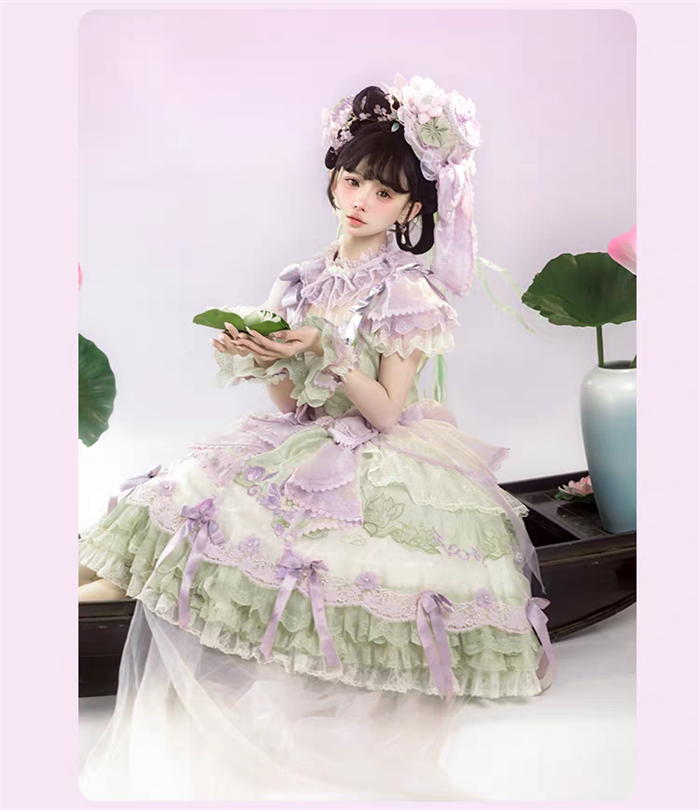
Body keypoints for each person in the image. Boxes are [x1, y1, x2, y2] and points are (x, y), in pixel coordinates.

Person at [78, 74, 555, 802]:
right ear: (335, 177)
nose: (361, 198)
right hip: (302, 435)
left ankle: (90, 600)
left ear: (411, 209)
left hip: (374, 455)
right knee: (183, 491)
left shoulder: (406, 290)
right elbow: (290, 403)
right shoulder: (301, 279)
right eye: (353, 179)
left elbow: (387, 413)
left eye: (384, 192)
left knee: (258, 528)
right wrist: (265, 355)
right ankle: (91, 590)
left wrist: (326, 350)